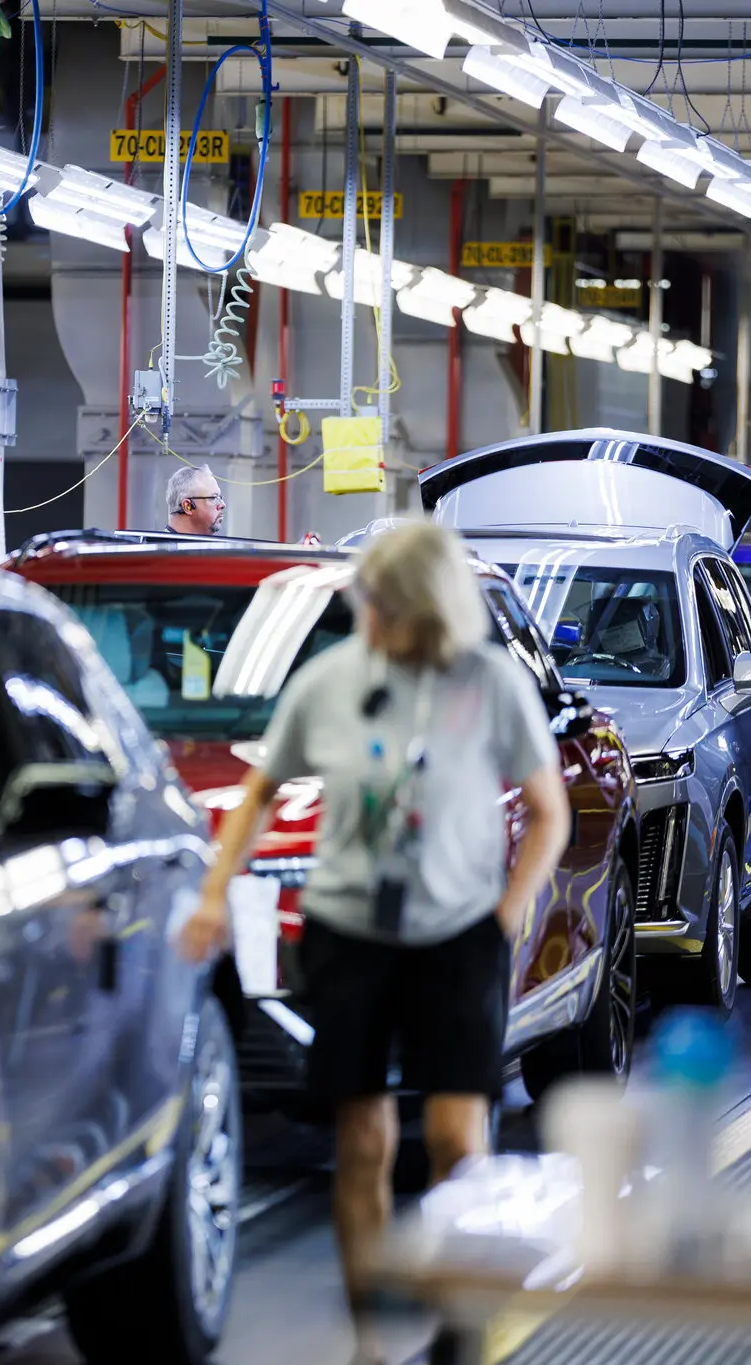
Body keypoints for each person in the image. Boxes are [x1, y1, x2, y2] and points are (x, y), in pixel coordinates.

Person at [177, 522, 570, 1365]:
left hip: (459, 937)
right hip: (350, 934)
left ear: (428, 609)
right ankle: (368, 1344)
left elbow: (549, 811)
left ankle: (457, 1331)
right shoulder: (328, 682)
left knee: (460, 1140)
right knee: (363, 1139)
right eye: (367, 605)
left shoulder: (490, 684)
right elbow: (256, 795)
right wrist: (215, 894)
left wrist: (507, 912)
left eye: (384, 607)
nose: (370, 620)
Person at [164, 464, 225, 535]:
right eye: (214, 498)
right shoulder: (157, 545)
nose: (223, 505)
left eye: (220, 497)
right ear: (188, 506)